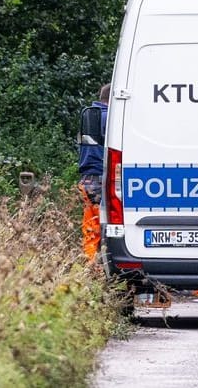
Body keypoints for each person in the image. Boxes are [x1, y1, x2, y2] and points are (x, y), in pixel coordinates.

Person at [78, 83, 110, 261]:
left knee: (91, 231)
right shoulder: (108, 118)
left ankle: (89, 269)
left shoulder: (92, 115)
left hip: (88, 181)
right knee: (102, 233)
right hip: (98, 181)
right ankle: (96, 270)